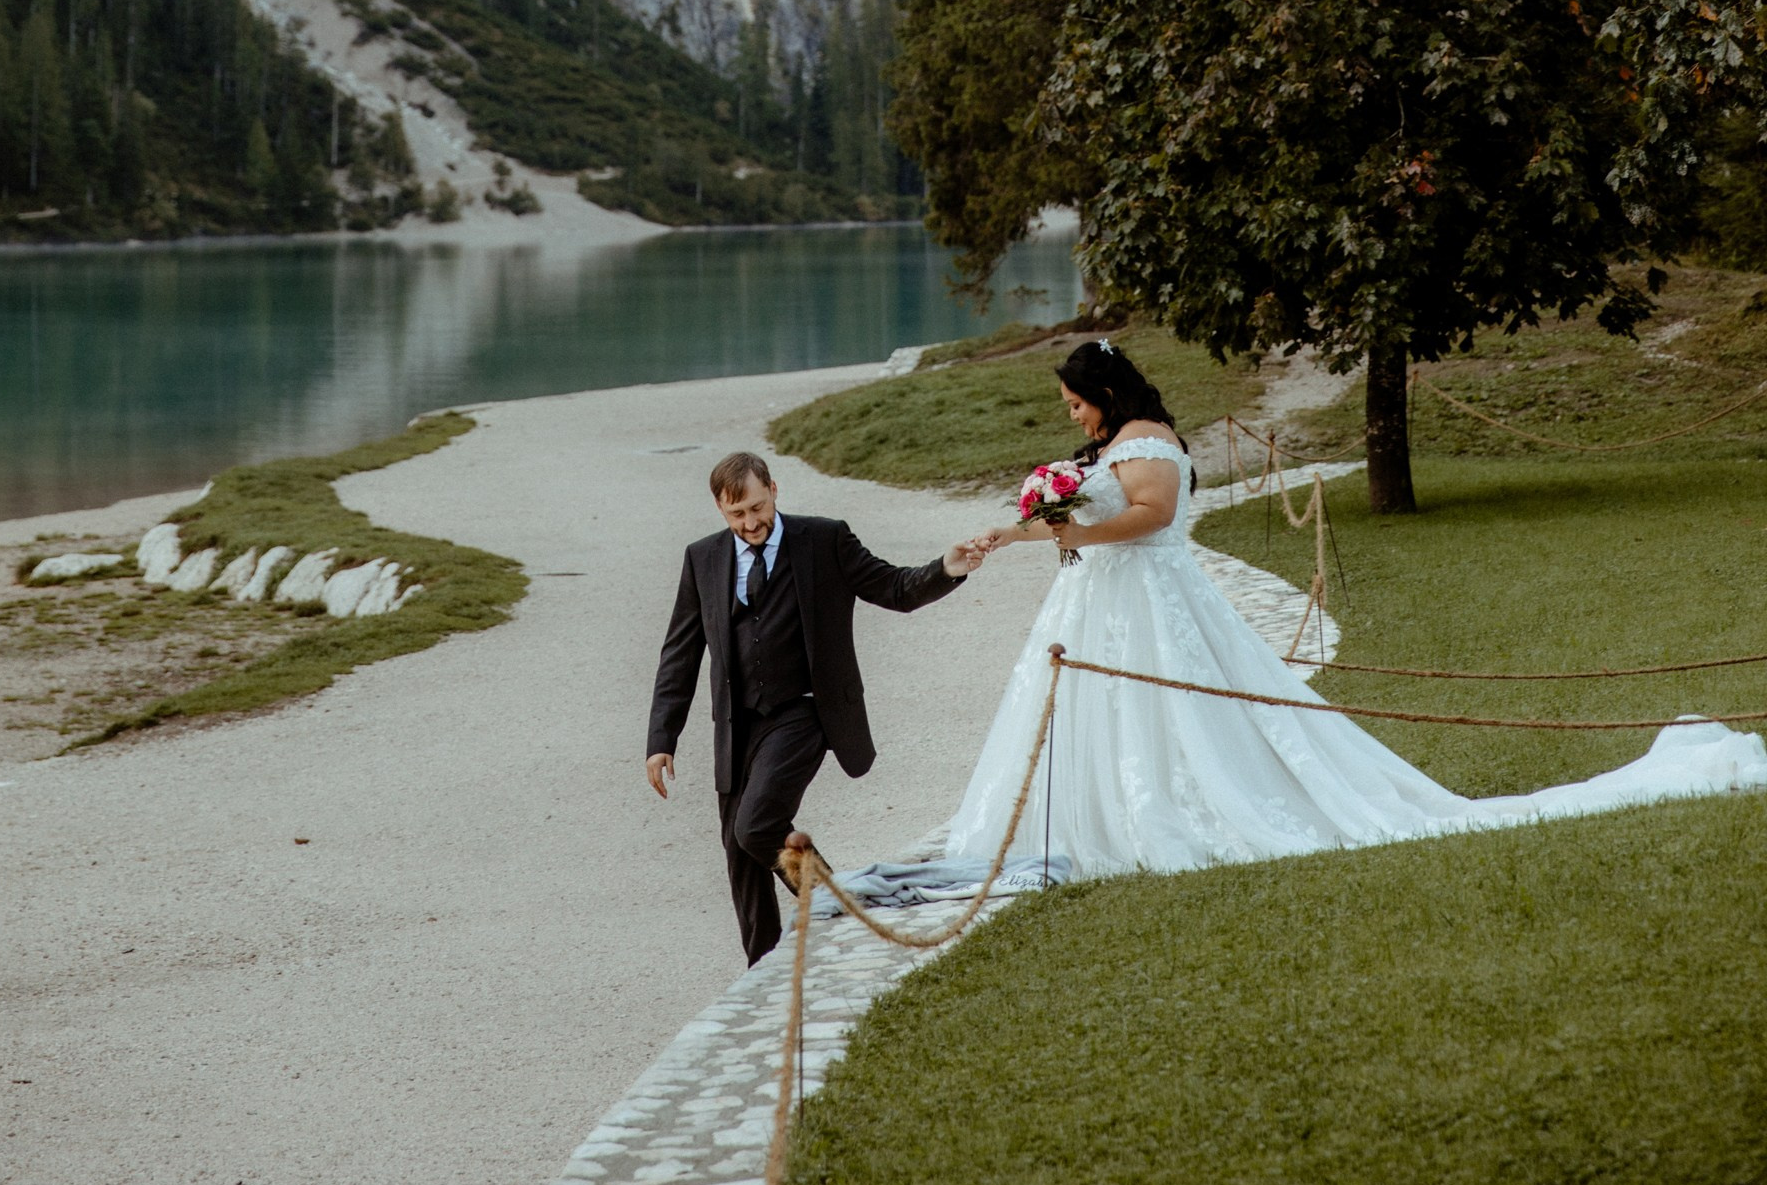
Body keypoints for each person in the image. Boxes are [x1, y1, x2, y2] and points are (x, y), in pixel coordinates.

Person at [947, 337, 1767, 877]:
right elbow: (1085, 519)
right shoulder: (1111, 444)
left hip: (1150, 600)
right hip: (1098, 600)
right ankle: (1093, 819)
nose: (1072, 415)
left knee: (1182, 711)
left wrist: (1068, 530)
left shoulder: (1149, 439)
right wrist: (1018, 534)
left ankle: (1165, 817)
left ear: (1105, 391)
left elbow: (1152, 519)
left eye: (1075, 402)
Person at [647, 449, 980, 963]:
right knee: (740, 854)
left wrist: (946, 569)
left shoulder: (824, 539)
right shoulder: (702, 557)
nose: (751, 523)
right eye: (737, 515)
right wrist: (660, 740)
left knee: (758, 824)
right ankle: (765, 969)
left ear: (774, 489)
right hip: (737, 722)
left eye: (757, 508)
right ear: (719, 508)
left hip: (805, 711)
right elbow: (681, 651)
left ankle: (835, 907)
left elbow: (892, 587)